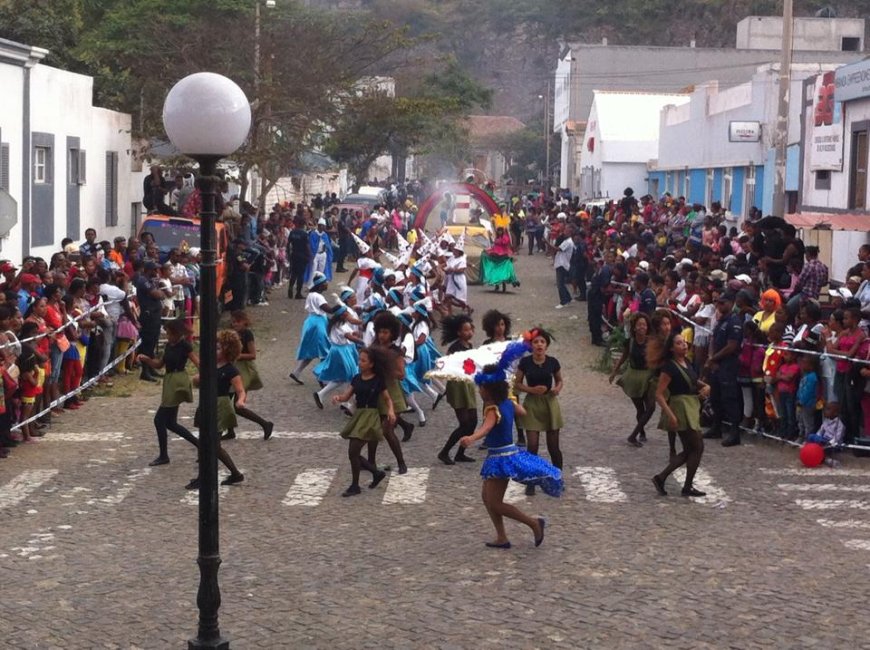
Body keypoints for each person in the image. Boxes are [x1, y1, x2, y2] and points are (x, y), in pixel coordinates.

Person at [459, 360, 562, 549]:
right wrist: (511, 400)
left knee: (495, 503)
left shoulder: (492, 408)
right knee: (487, 498)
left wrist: (471, 438)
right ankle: (501, 536)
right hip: (508, 453)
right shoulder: (508, 402)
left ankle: (534, 523)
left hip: (500, 459)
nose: (480, 391)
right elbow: (522, 411)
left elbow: (486, 428)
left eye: (481, 387)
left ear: (489, 389)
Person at [652, 332, 709, 497]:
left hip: (689, 406)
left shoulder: (687, 362)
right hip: (680, 407)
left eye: (684, 342)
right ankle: (684, 485)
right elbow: (659, 394)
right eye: (679, 343)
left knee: (691, 448)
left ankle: (663, 478)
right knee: (697, 446)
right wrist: (671, 415)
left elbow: (691, 381)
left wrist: (705, 386)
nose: (683, 345)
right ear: (671, 348)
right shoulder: (669, 366)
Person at [137, 318, 200, 466]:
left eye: (169, 333)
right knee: (170, 423)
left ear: (176, 333)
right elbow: (159, 365)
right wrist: (146, 359)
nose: (167, 336)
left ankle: (164, 455)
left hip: (178, 381)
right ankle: (199, 445)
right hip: (170, 380)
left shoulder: (184, 345)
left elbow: (196, 362)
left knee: (159, 419)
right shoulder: (169, 346)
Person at [189, 330, 246, 489]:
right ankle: (232, 474)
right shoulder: (210, 365)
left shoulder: (231, 370)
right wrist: (196, 379)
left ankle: (210, 476)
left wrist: (240, 402)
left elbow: (240, 390)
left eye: (219, 348)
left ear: (228, 350)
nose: (215, 350)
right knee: (206, 443)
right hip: (206, 403)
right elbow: (198, 380)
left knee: (212, 444)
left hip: (220, 406)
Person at [332, 347, 393, 497]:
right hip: (359, 415)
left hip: (370, 416)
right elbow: (346, 396)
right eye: (359, 360)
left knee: (353, 451)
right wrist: (338, 398)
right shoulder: (357, 378)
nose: (360, 363)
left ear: (371, 364)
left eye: (363, 360)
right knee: (353, 452)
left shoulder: (378, 380)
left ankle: (357, 484)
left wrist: (391, 411)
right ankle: (374, 474)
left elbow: (387, 398)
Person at [514, 328, 563, 497]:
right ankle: (531, 482)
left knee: (553, 447)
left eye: (542, 342)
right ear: (531, 345)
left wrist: (556, 389)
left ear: (546, 346)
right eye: (536, 342)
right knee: (532, 446)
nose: (539, 345)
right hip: (532, 404)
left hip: (549, 403)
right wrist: (531, 389)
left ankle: (557, 478)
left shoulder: (553, 362)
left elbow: (559, 380)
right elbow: (517, 384)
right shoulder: (525, 363)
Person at [222, 310, 274, 441]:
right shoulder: (232, 334)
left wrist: (237, 355)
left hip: (243, 369)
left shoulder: (247, 334)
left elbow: (253, 355)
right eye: (233, 322)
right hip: (231, 368)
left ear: (244, 321)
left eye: (237, 321)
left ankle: (264, 424)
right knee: (224, 399)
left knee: (237, 405)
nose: (235, 324)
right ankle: (230, 430)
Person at [704, 291, 744, 447]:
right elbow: (713, 339)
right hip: (717, 365)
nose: (719, 306)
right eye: (717, 303)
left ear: (730, 303)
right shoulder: (721, 320)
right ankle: (716, 427)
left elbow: (732, 346)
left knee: (730, 399)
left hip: (728, 365)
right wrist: (711, 357)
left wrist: (714, 358)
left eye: (722, 303)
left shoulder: (734, 321)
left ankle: (734, 432)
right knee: (715, 398)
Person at [438, 314, 478, 465]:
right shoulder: (454, 348)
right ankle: (444, 452)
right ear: (459, 332)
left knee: (472, 422)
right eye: (466, 330)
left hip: (467, 385)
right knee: (464, 423)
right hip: (457, 387)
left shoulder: (469, 346)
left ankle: (460, 453)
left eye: (470, 329)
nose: (469, 332)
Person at [610, 312, 654, 447]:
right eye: (639, 324)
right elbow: (624, 357)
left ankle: (633, 435)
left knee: (651, 407)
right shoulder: (630, 342)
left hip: (649, 377)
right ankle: (641, 432)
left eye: (644, 325)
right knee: (640, 409)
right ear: (634, 327)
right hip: (633, 377)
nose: (642, 327)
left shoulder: (651, 342)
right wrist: (614, 372)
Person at [290, 272, 334, 384]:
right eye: (325, 282)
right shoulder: (318, 297)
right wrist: (341, 308)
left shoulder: (311, 294)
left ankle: (296, 372)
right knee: (325, 351)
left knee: (311, 351)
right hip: (317, 324)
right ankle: (322, 377)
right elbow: (328, 309)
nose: (327, 284)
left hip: (311, 322)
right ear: (320, 285)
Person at [287, 217, 311, 299]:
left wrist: (288, 253)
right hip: (302, 255)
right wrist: (309, 255)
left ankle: (290, 287)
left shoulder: (292, 232)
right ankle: (298, 293)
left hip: (294, 254)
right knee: (300, 275)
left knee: (293, 273)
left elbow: (288, 244)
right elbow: (307, 246)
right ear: (303, 224)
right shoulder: (304, 234)